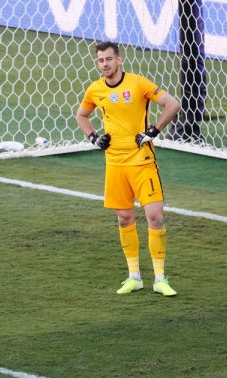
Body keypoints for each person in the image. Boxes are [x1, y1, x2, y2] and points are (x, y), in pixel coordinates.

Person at [75, 41, 181, 297]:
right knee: (124, 218)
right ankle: (134, 276)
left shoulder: (137, 83)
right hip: (115, 164)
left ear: (119, 60)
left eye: (109, 59)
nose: (105, 65)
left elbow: (173, 104)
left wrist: (153, 131)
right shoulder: (95, 89)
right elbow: (81, 115)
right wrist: (93, 138)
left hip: (142, 161)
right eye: (100, 61)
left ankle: (160, 278)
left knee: (155, 217)